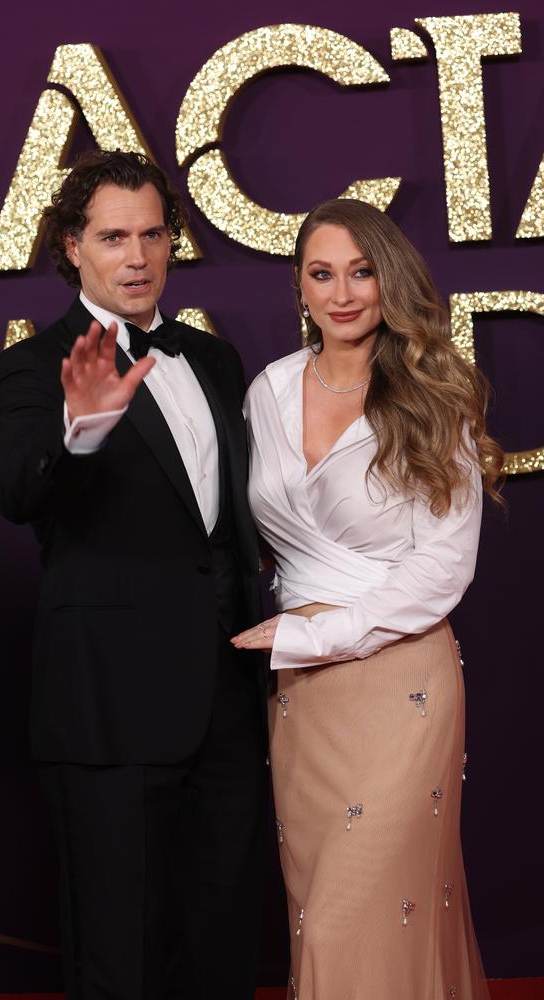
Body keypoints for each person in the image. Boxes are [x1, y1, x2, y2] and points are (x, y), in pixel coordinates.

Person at [0, 150, 267, 1000]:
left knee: (224, 946)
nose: (137, 257)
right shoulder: (35, 369)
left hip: (227, 700)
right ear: (72, 246)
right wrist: (81, 429)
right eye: (114, 237)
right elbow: (17, 490)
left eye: (153, 235)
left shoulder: (211, 361)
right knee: (122, 959)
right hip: (110, 714)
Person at [232, 198, 503, 999]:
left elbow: (443, 569)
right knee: (320, 908)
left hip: (401, 682)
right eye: (323, 274)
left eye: (362, 272)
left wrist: (318, 633)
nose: (344, 292)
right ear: (300, 288)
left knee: (369, 907)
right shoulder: (270, 391)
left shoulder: (431, 394)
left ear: (390, 281)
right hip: (303, 697)